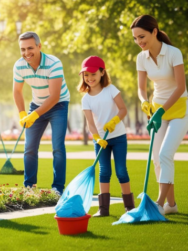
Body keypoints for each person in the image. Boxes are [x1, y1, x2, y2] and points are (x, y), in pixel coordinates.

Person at [132, 15, 188, 215]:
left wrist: (161, 111)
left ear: (154, 31)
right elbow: (141, 88)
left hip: (179, 109)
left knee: (166, 154)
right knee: (157, 158)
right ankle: (171, 205)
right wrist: (144, 102)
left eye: (142, 36)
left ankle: (157, 204)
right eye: (136, 38)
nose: (139, 42)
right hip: (157, 110)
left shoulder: (174, 53)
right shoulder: (141, 57)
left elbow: (181, 87)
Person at [13, 31, 69, 194]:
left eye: (30, 48)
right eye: (22, 49)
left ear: (39, 46)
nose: (26, 53)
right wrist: (23, 113)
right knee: (29, 147)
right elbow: (17, 91)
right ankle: (29, 187)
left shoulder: (53, 63)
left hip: (58, 105)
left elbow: (54, 96)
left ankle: (57, 188)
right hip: (36, 105)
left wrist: (34, 115)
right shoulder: (19, 65)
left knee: (57, 147)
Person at [79, 56, 134, 216]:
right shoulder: (86, 99)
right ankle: (103, 209)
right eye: (86, 75)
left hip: (118, 138)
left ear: (102, 72)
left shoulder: (111, 90)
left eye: (93, 74)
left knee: (121, 170)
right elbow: (90, 123)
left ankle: (129, 207)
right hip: (101, 141)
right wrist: (97, 138)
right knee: (104, 172)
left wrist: (115, 120)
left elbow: (123, 109)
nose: (89, 78)